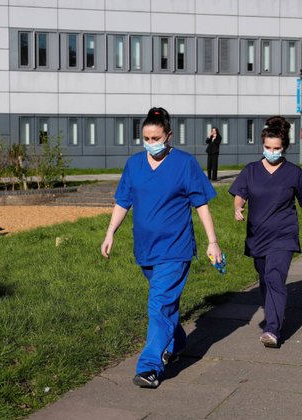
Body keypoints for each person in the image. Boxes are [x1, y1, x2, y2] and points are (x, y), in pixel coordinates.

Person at [100, 107, 223, 388]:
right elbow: (123, 201)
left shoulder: (184, 163)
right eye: (146, 137)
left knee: (158, 305)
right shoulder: (134, 165)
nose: (151, 143)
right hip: (145, 249)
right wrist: (110, 233)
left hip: (175, 248)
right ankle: (178, 340)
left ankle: (150, 367)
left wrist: (212, 242)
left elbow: (201, 204)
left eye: (156, 137)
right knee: (165, 304)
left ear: (169, 136)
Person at [229, 116, 302, 349]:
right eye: (267, 148)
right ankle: (274, 314)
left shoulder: (293, 172)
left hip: (284, 234)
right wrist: (237, 207)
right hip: (257, 235)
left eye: (276, 149)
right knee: (265, 278)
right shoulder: (251, 170)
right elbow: (239, 194)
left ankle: (272, 328)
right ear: (262, 145)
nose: (271, 152)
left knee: (275, 277)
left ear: (284, 148)